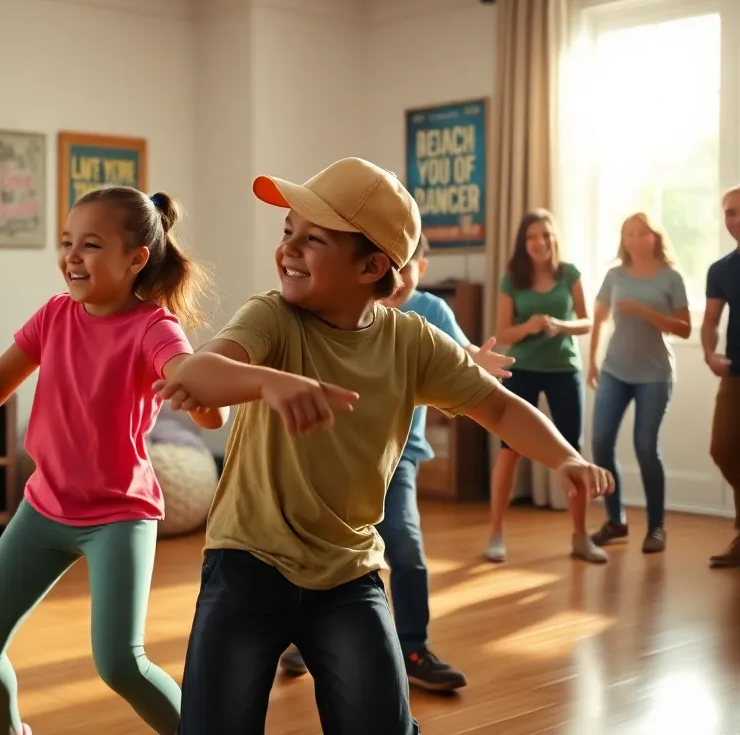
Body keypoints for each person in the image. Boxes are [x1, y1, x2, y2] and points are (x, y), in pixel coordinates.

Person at [152, 157, 613, 735]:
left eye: (313, 238)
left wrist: (564, 455)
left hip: (346, 573)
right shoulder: (271, 316)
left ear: (372, 266)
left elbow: (495, 406)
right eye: (287, 231)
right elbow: (199, 373)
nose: (289, 248)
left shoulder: (411, 340)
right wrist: (271, 381)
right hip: (247, 561)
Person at [0, 186, 222, 735]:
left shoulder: (154, 327)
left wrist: (196, 394)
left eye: (90, 244)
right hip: (46, 505)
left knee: (120, 666)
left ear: (136, 259)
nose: (72, 257)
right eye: (66, 243)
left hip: (119, 514)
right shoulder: (55, 315)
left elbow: (196, 392)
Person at [276, 235, 514, 692]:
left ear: (422, 269)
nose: (399, 278)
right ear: (372, 267)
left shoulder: (432, 313)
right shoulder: (342, 306)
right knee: (332, 553)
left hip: (398, 457)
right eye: (392, 266)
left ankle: (412, 647)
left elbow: (457, 362)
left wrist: (474, 361)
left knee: (405, 548)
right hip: (337, 453)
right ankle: (311, 637)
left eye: (409, 267)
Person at [485, 210, 606, 563]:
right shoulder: (512, 279)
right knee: (510, 449)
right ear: (524, 244)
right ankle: (495, 533)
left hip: (563, 369)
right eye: (532, 237)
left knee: (572, 452)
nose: (539, 242)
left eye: (545, 236)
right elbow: (503, 332)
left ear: (554, 239)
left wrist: (561, 326)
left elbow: (587, 322)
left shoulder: (570, 274)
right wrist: (532, 326)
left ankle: (580, 537)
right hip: (522, 368)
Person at [587, 213, 691, 553]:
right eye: (626, 234)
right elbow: (599, 319)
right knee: (600, 443)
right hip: (615, 369)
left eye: (639, 233)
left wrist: (648, 313)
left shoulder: (671, 277)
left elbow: (685, 328)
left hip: (655, 374)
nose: (632, 239)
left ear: (654, 237)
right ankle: (615, 521)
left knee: (645, 446)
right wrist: (591, 362)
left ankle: (657, 527)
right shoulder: (614, 275)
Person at [703, 185, 740, 568]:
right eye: (728, 212)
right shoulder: (721, 269)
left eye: (739, 211)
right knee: (723, 448)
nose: (734, 220)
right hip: (735, 374)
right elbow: (711, 321)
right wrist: (709, 352)